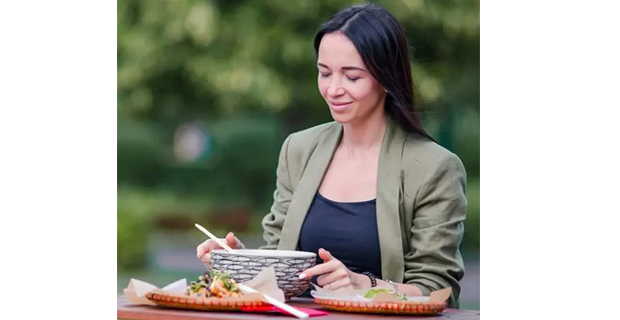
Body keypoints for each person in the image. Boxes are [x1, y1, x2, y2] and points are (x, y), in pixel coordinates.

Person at [196, 3, 467, 308]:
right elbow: (280, 260)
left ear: (386, 80)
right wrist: (237, 261)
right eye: (324, 73)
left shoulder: (433, 167)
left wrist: (362, 284)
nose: (333, 89)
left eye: (352, 77)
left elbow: (438, 288)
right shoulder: (299, 150)